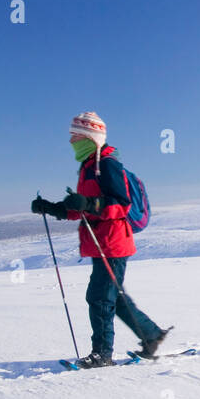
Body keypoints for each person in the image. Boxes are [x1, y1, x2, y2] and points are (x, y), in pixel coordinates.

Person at [32, 111, 169, 367]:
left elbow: (121, 205)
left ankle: (102, 354)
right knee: (112, 297)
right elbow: (81, 208)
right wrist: (50, 207)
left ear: (90, 137)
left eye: (76, 137)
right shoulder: (87, 167)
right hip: (100, 243)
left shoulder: (107, 165)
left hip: (113, 243)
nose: (72, 142)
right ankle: (151, 334)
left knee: (99, 297)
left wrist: (90, 203)